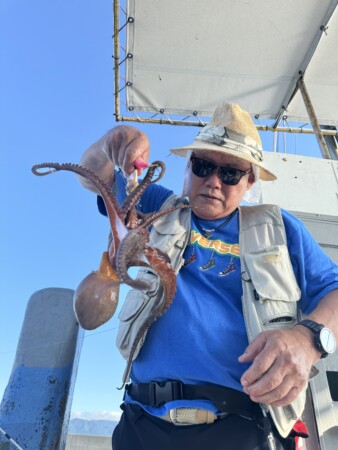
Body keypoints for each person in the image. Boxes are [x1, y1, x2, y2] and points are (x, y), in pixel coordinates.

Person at [78, 102, 338, 450]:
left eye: (230, 173)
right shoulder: (157, 205)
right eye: (203, 166)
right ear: (187, 168)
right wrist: (114, 142)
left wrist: (308, 340)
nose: (214, 182)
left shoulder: (280, 228)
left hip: (239, 429)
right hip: (142, 422)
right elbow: (92, 175)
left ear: (249, 181)